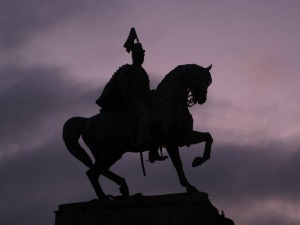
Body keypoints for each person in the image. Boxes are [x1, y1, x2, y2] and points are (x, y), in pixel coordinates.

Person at [96, 28, 167, 162]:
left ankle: (154, 150)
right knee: (144, 111)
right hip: (131, 102)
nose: (142, 57)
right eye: (140, 55)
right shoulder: (127, 69)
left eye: (143, 55)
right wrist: (128, 97)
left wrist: (152, 94)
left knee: (158, 113)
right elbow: (122, 85)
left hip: (143, 100)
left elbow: (145, 90)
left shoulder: (143, 72)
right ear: (134, 56)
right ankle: (142, 138)